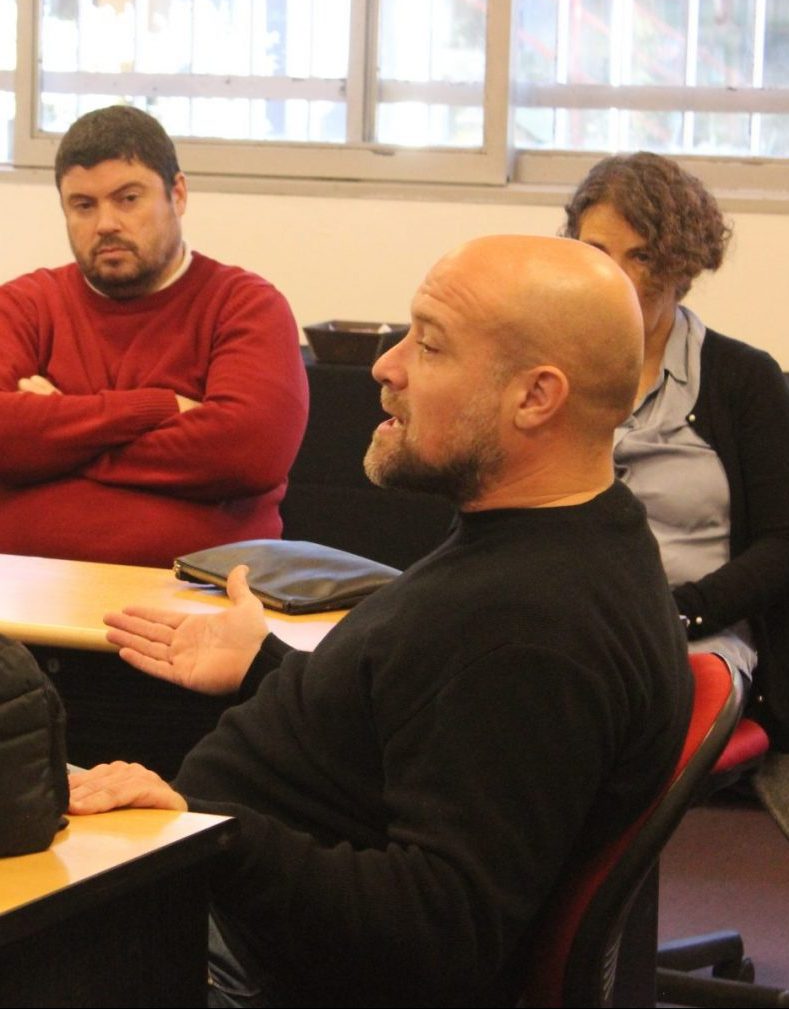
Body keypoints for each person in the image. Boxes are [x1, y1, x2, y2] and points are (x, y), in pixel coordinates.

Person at [68, 236, 693, 1008]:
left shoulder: (529, 630)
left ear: (535, 397)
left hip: (242, 963)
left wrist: (202, 832)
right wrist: (264, 665)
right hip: (232, 915)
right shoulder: (558, 542)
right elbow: (421, 733)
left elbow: (436, 933)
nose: (385, 366)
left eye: (428, 345)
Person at [0, 105, 308, 567]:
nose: (105, 224)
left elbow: (246, 452)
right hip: (22, 612)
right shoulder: (25, 304)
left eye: (128, 199)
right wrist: (157, 407)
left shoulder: (246, 305)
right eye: (83, 205)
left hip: (194, 609)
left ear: (177, 194)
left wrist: (58, 437)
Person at [563, 151, 789, 747]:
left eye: (639, 256)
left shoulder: (744, 380)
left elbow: (782, 545)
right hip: (567, 624)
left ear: (681, 265)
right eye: (596, 253)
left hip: (693, 634)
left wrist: (679, 611)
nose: (612, 275)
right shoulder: (548, 367)